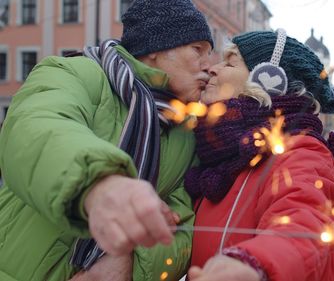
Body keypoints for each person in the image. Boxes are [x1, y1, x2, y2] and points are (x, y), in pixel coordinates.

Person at [0, 0, 213, 280]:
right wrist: (98, 183)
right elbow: (36, 127)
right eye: (198, 50)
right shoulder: (76, 72)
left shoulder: (187, 130)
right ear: (156, 50)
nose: (209, 66)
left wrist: (127, 261)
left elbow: (183, 223)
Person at [184, 29, 334, 281]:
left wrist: (256, 264)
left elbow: (304, 221)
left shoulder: (300, 150)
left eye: (230, 62)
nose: (213, 69)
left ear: (267, 80)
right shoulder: (218, 151)